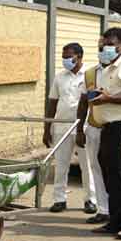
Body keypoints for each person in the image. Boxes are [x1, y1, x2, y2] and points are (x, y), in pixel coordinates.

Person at [87, 27, 121, 240]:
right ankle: (116, 220)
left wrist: (109, 99)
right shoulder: (106, 68)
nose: (105, 49)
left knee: (120, 176)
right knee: (109, 175)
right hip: (106, 128)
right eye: (102, 45)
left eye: (110, 45)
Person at [43, 43, 97, 214]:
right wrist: (47, 127)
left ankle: (90, 199)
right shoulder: (59, 77)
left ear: (79, 56)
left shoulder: (91, 74)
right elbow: (52, 102)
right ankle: (59, 199)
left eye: (69, 56)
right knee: (61, 165)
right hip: (62, 126)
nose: (65, 59)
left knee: (87, 165)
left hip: (84, 127)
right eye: (63, 56)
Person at [75, 38, 110, 225]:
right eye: (100, 48)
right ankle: (103, 210)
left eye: (106, 47)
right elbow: (83, 103)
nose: (103, 51)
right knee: (96, 168)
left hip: (117, 129)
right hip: (95, 128)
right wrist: (80, 129)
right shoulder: (90, 74)